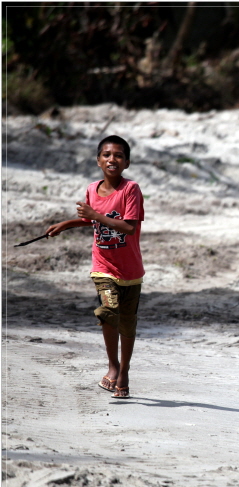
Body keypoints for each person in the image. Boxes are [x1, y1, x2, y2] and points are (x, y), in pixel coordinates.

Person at [46, 135, 145, 399]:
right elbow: (94, 222)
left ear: (126, 162)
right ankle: (113, 366)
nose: (112, 159)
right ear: (98, 159)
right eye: (107, 154)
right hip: (103, 266)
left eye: (119, 155)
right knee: (107, 311)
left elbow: (128, 226)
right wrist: (66, 224)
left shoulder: (130, 190)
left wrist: (94, 216)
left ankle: (124, 371)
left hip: (131, 270)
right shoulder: (92, 189)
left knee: (128, 324)